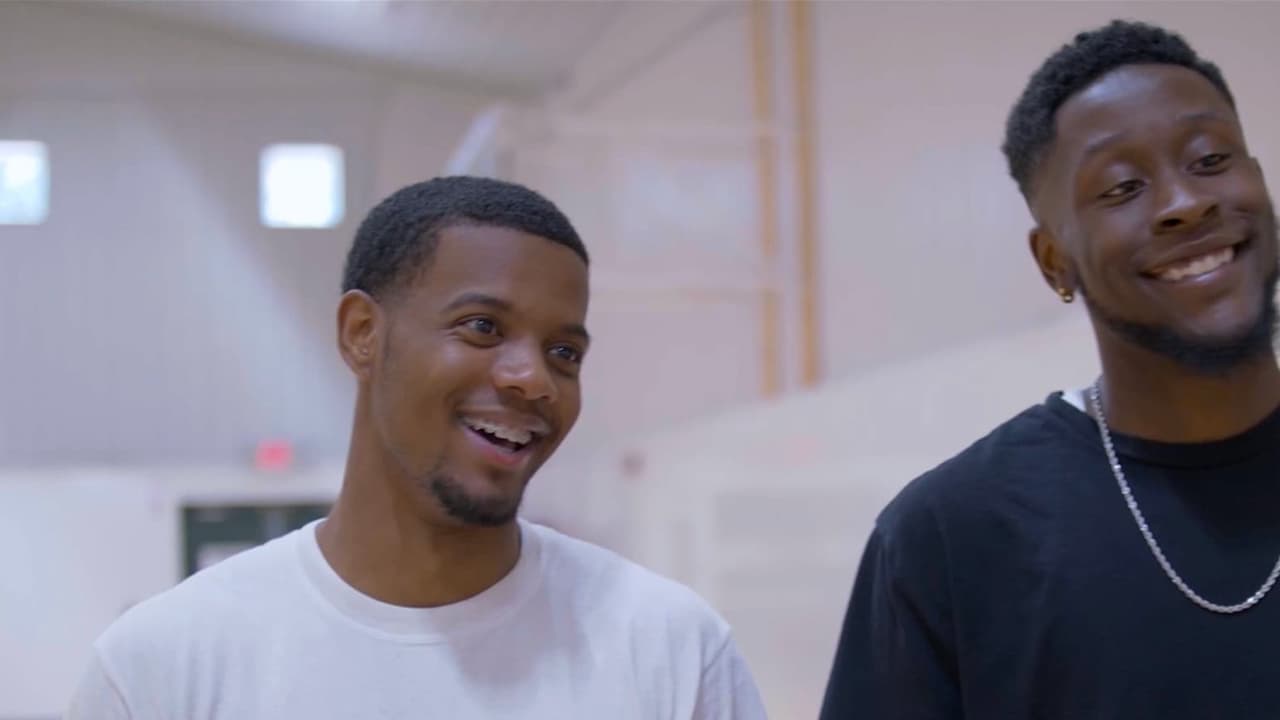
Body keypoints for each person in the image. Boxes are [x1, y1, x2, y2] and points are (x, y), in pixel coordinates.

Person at [67, 176, 768, 719]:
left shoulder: (674, 650)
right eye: (482, 327)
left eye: (564, 352)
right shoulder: (163, 667)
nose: (533, 379)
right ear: (362, 335)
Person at [819, 20, 1280, 719]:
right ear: (1053, 261)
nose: (1186, 204)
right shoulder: (951, 537)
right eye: (1122, 188)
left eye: (1211, 159)